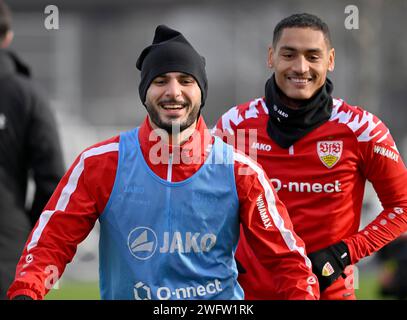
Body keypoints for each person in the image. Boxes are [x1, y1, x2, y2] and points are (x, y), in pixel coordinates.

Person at [7, 24, 319, 300]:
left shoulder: (240, 171)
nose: (174, 92)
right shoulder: (101, 164)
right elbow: (51, 243)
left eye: (185, 80)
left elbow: (289, 262)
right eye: (160, 81)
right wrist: (26, 291)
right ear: (144, 93)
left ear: (201, 91)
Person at [215, 13, 407, 300]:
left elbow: (402, 207)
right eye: (289, 54)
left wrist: (345, 252)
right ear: (271, 57)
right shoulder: (235, 125)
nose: (300, 67)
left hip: (329, 292)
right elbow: (206, 204)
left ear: (330, 60)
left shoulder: (363, 130)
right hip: (249, 294)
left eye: (312, 56)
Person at [0, 0, 64, 300]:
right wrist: (25, 230)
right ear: (8, 36)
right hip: (6, 252)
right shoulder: (28, 96)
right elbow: (52, 181)